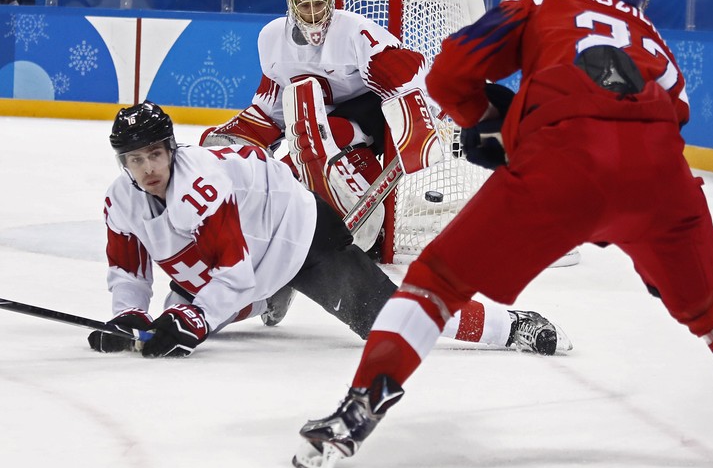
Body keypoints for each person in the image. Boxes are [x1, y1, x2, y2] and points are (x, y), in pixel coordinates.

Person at [293, 0, 713, 468]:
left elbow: (449, 70)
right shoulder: (655, 43)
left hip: (561, 166)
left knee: (434, 284)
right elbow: (670, 120)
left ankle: (359, 410)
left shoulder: (544, 3)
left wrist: (488, 117)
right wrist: (659, 251)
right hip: (662, 185)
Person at [89, 101, 571, 358]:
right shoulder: (121, 200)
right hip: (243, 251)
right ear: (123, 163)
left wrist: (194, 320)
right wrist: (129, 313)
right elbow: (128, 271)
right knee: (175, 315)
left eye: (155, 153)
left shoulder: (202, 186)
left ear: (171, 149)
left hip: (298, 234)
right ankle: (268, 294)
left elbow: (230, 277)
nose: (148, 167)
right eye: (135, 159)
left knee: (388, 319)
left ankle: (511, 327)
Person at [200, 0, 439, 256]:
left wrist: (422, 116)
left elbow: (405, 73)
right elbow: (273, 101)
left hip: (375, 109)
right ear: (292, 6)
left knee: (315, 133)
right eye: (305, 6)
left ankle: (368, 224)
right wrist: (246, 134)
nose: (313, 14)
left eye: (318, 4)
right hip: (317, 119)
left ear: (330, 2)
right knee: (299, 131)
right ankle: (286, 210)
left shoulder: (354, 32)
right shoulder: (271, 37)